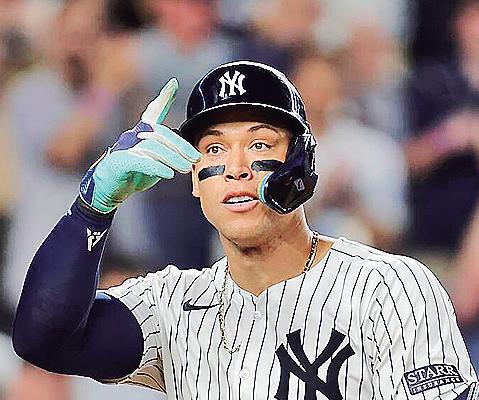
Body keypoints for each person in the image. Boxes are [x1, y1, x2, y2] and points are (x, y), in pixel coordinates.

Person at [12, 61, 478, 399]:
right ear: (195, 180)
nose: (236, 168)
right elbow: (42, 340)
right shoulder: (173, 305)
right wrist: (92, 208)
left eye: (259, 144)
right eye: (214, 150)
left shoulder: (390, 287)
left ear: (301, 166)